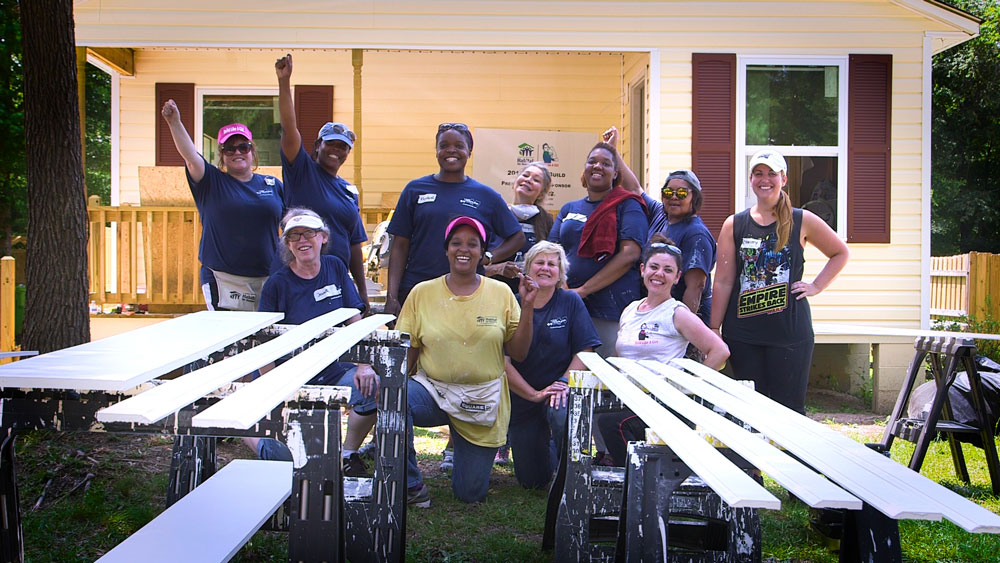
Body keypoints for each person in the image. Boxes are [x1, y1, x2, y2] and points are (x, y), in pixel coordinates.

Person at [397, 217, 539, 506]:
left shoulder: (500, 292)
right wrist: (392, 385)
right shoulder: (422, 293)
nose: (464, 249)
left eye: (472, 244)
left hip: (481, 398)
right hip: (433, 391)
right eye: (456, 243)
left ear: (482, 252)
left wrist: (527, 307)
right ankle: (411, 484)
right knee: (396, 399)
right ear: (447, 250)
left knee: (469, 495)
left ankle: (464, 447)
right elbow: (408, 351)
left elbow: (519, 353)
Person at [710, 149, 849, 414]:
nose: (765, 179)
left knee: (789, 412)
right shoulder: (734, 224)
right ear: (750, 179)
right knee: (749, 412)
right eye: (759, 173)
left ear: (783, 178)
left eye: (772, 174)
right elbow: (724, 281)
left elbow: (840, 252)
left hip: (790, 335)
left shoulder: (802, 220)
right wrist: (714, 328)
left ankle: (789, 458)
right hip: (743, 335)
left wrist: (816, 286)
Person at [247, 208, 378, 476]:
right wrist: (274, 390)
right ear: (287, 245)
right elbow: (264, 342)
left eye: (309, 233)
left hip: (333, 370)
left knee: (374, 387)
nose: (302, 240)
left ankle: (348, 453)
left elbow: (354, 317)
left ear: (323, 237)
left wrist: (364, 364)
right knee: (285, 459)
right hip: (290, 375)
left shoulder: (336, 267)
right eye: (294, 236)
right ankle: (249, 435)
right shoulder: (277, 284)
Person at [597, 234, 730, 465]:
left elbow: (720, 351)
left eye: (668, 270)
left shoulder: (676, 313)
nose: (659, 274)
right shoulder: (630, 310)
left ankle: (638, 487)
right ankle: (634, 483)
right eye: (654, 267)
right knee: (599, 415)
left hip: (663, 404)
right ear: (642, 270)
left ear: (677, 277)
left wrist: (689, 386)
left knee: (610, 424)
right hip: (631, 401)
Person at [384, 123, 525, 317]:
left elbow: (517, 237)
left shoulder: (486, 196)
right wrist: (392, 296)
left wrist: (489, 257)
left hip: (468, 292)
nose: (451, 150)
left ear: (469, 151)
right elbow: (399, 246)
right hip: (417, 289)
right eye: (444, 145)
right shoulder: (414, 190)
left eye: (459, 145)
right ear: (436, 151)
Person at [160, 100, 283, 311]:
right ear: (221, 154)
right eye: (229, 148)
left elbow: (292, 224)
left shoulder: (271, 184)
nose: (237, 152)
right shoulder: (211, 181)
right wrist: (174, 122)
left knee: (267, 337)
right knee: (230, 340)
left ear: (252, 151)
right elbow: (191, 157)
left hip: (268, 277)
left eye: (243, 147)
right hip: (224, 280)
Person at [275, 54, 369, 313]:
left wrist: (361, 292)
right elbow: (289, 129)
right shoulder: (302, 171)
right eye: (331, 144)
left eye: (343, 147)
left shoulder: (349, 191)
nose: (336, 151)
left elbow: (354, 245)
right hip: (299, 276)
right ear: (317, 146)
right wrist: (284, 83)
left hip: (335, 280)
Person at [504, 241, 601, 488]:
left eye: (552, 264)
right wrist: (534, 394)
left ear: (560, 272)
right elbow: (502, 362)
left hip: (560, 391)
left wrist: (561, 383)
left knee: (560, 413)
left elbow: (585, 350)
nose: (545, 268)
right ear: (527, 268)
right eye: (539, 262)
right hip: (523, 396)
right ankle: (547, 459)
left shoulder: (570, 301)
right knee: (532, 481)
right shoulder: (511, 302)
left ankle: (572, 475)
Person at [549, 141, 647, 356]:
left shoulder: (628, 205)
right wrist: (567, 291)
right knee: (572, 375)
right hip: (568, 305)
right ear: (584, 168)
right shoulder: (569, 208)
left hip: (609, 309)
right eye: (592, 161)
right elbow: (553, 252)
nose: (598, 166)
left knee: (605, 374)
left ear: (615, 173)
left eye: (606, 163)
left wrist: (583, 291)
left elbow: (630, 253)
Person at [486, 161, 555, 295]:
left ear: (541, 193)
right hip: (494, 293)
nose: (528, 180)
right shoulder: (496, 214)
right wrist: (497, 268)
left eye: (536, 180)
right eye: (525, 175)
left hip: (531, 295)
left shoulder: (547, 221)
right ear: (515, 182)